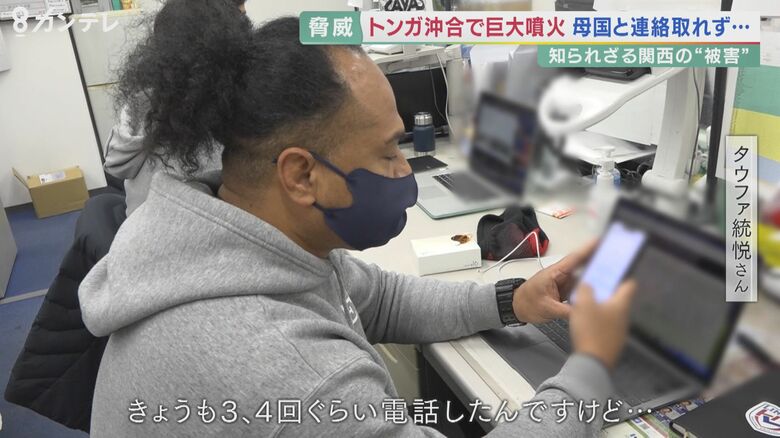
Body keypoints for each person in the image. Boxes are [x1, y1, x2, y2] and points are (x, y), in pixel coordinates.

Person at [79, 2, 636, 436]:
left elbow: (379, 300)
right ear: (301, 175)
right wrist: (592, 365)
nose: (404, 169)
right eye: (389, 151)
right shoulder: (299, 375)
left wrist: (513, 301)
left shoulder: (228, 231)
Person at [103, 0, 247, 216]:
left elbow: (116, 165)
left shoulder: (141, 98)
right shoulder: (223, 112)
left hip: (136, 220)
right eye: (241, 18)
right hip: (184, 227)